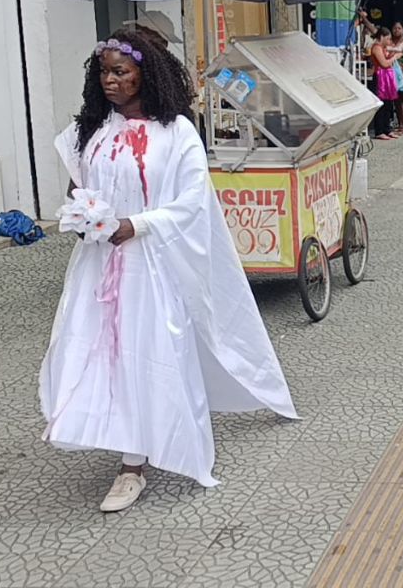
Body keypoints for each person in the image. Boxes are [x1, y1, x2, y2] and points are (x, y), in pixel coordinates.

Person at [45, 28, 298, 511]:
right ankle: (118, 435)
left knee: (149, 354)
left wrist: (136, 224)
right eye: (104, 72)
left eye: (121, 71)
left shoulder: (177, 133)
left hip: (152, 265)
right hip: (98, 268)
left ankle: (135, 462)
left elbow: (191, 203)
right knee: (99, 354)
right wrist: (84, 218)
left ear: (147, 73)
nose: (110, 81)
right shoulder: (94, 131)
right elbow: (87, 190)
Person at [369, 29, 400, 140]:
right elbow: (384, 63)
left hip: (387, 76)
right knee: (381, 103)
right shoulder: (377, 47)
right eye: (387, 39)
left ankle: (387, 128)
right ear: (381, 37)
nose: (389, 41)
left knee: (388, 103)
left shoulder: (383, 47)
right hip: (380, 75)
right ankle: (379, 130)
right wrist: (394, 57)